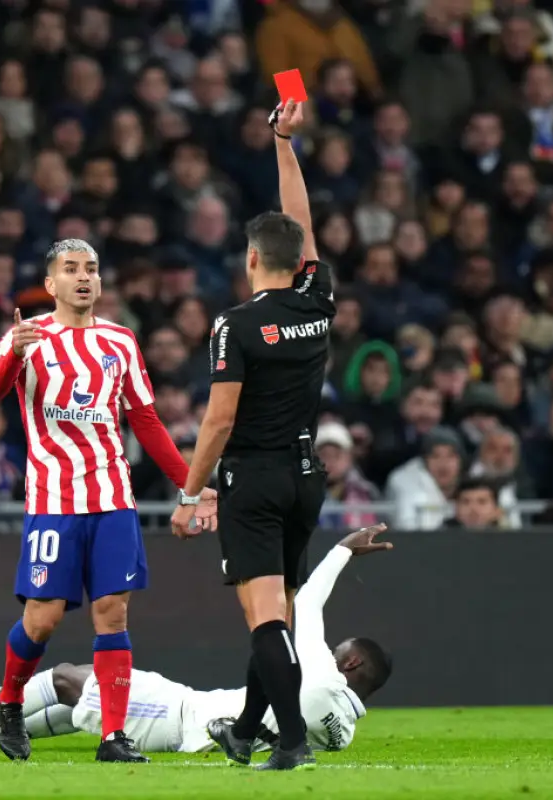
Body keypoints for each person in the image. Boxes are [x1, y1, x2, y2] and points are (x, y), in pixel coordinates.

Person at [0, 237, 218, 764]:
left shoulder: (120, 341)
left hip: (113, 497)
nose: (83, 277)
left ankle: (112, 737)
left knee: (113, 614)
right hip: (53, 500)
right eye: (71, 269)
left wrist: (189, 484)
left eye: (91, 269)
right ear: (51, 284)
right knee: (42, 620)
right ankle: (8, 702)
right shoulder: (28, 336)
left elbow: (145, 420)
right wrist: (15, 355)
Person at [0, 526, 393, 755]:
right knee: (85, 710)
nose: (326, 654)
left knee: (70, 679)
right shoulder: (342, 735)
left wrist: (341, 551)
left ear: (349, 666)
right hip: (189, 714)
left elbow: (304, 606)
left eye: (336, 653)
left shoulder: (323, 680)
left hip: (185, 722)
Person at [168, 100, 335, 772]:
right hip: (305, 477)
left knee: (265, 617)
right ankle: (244, 728)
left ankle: (290, 741)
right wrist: (284, 144)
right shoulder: (317, 300)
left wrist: (189, 490)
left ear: (250, 258)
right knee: (279, 610)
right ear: (298, 259)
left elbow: (219, 420)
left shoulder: (235, 325)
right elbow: (302, 221)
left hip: (254, 481)